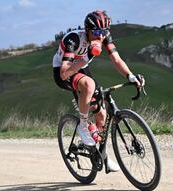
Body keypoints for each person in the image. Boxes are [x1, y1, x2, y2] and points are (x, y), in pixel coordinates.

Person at [52, 10, 145, 172]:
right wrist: (87, 55)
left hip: (82, 67)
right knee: (88, 85)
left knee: (101, 113)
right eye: (96, 32)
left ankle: (101, 155)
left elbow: (116, 59)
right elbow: (65, 72)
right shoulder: (73, 39)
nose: (100, 36)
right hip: (63, 71)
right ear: (87, 30)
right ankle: (82, 125)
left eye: (104, 32)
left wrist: (130, 76)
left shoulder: (103, 36)